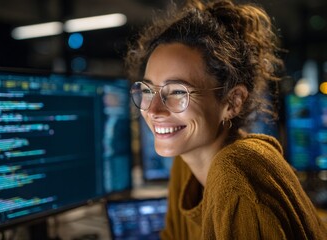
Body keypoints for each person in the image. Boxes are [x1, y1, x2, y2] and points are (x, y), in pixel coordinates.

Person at [125, 0, 327, 239]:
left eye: (178, 92)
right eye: (148, 90)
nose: (154, 110)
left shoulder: (235, 172)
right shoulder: (186, 162)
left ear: (232, 102)